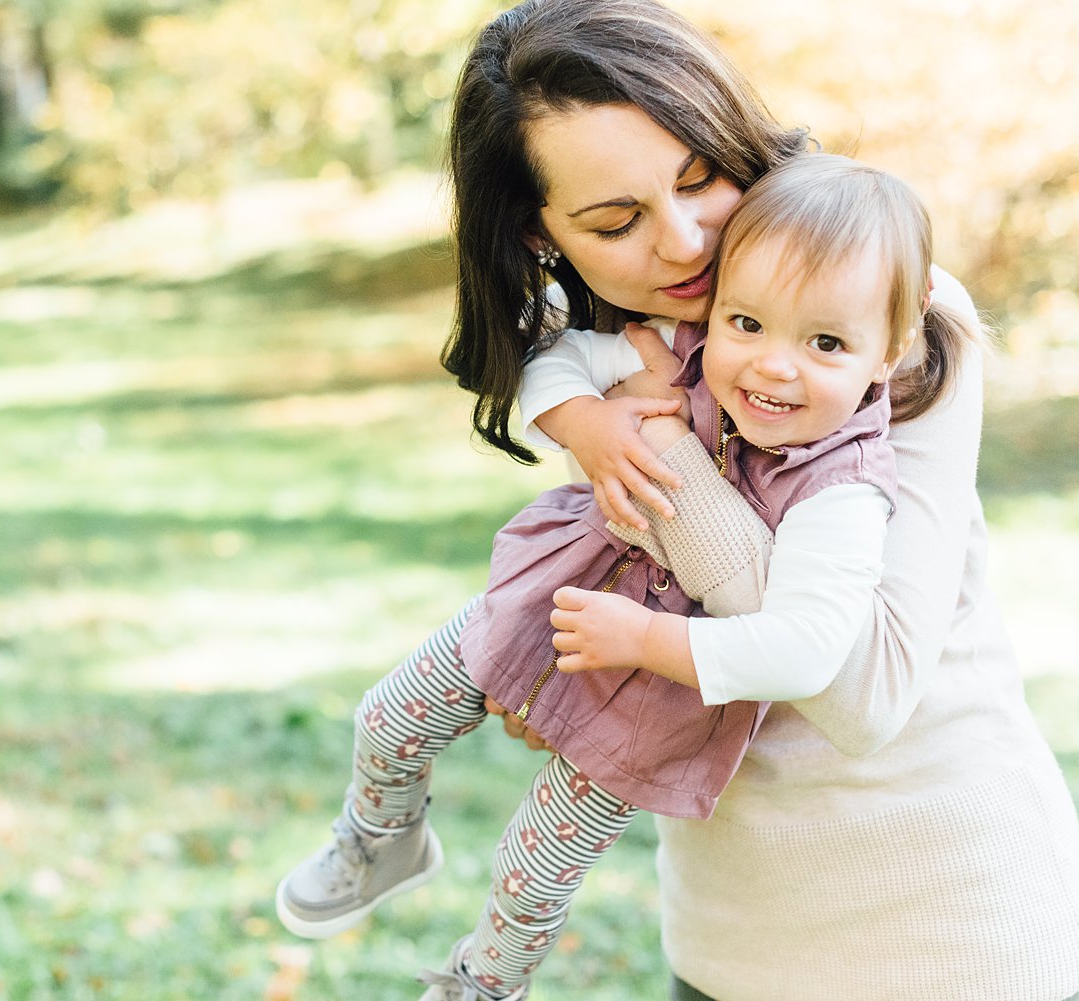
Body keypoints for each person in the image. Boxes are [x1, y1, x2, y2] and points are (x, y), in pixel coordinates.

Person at [285, 1, 1079, 999]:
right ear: (543, 237)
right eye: (615, 220)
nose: (680, 243)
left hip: (955, 929)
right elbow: (643, 556)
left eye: (698, 177)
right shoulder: (623, 336)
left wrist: (665, 454)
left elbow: (858, 694)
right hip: (732, 939)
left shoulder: (894, 321)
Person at [278, 152, 960, 1001]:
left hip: (661, 686)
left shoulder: (843, 491)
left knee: (539, 857)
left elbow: (807, 649)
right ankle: (381, 834)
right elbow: (554, 359)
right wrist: (590, 423)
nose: (771, 366)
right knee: (391, 711)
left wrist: (643, 638)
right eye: (747, 324)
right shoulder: (689, 348)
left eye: (825, 343)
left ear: (890, 346)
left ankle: (483, 985)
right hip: (558, 592)